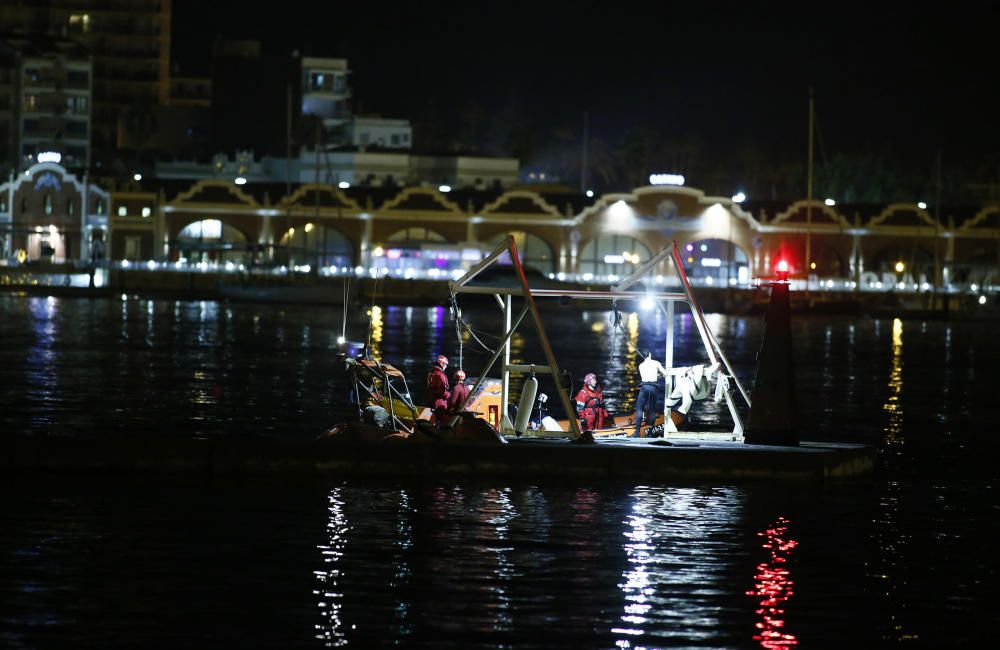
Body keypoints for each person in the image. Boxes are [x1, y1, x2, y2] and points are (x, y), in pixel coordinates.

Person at [634, 351, 668, 437]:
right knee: (652, 410)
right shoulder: (656, 363)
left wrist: (655, 375)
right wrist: (659, 375)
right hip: (653, 388)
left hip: (644, 387)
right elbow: (665, 374)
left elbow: (645, 376)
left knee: (640, 409)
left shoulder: (641, 365)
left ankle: (637, 432)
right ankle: (650, 432)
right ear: (650, 354)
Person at [426, 354, 450, 422]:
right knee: (440, 421)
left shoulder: (431, 373)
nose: (446, 367)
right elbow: (442, 391)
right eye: (446, 364)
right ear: (442, 363)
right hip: (439, 403)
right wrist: (449, 395)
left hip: (431, 400)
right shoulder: (440, 374)